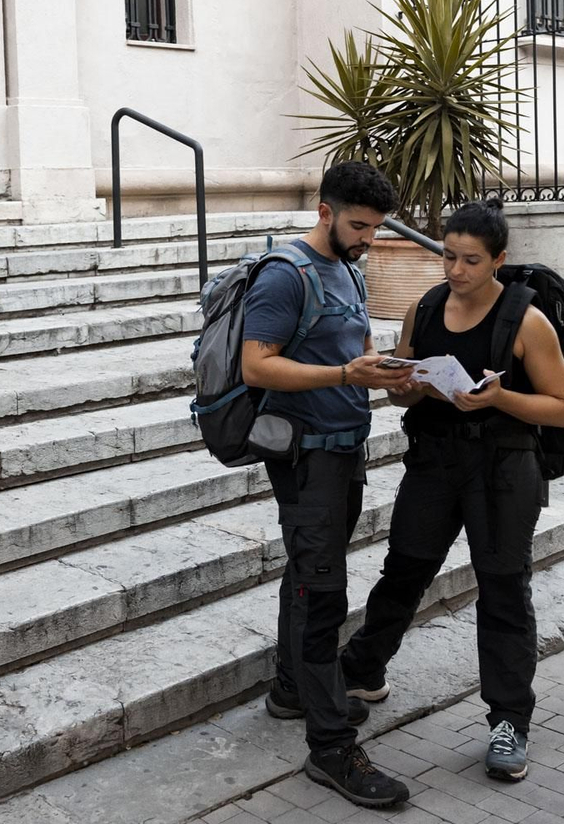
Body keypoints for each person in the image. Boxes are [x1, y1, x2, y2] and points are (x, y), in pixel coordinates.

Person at [339, 197, 564, 783]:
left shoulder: (527, 320)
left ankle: (509, 721)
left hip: (503, 467)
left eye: (471, 260)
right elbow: (404, 388)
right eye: (449, 256)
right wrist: (403, 380)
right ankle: (363, 671)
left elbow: (560, 407)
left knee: (502, 588)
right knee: (405, 568)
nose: (457, 270)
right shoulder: (425, 306)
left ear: (498, 260)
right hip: (434, 461)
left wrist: (499, 398)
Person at [241, 161, 413, 809]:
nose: (369, 237)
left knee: (311, 573)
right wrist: (346, 374)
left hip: (345, 453)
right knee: (322, 595)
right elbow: (256, 365)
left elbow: (355, 350)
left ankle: (293, 688)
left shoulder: (350, 268)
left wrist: (386, 371)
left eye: (376, 227)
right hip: (306, 459)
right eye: (360, 225)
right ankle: (331, 747)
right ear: (325, 211)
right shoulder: (286, 274)